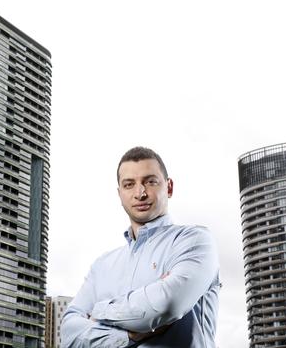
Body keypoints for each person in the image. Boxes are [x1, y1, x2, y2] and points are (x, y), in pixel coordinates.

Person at [61, 146, 220, 347]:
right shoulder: (102, 265)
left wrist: (98, 313)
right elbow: (68, 334)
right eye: (129, 185)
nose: (140, 193)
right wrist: (127, 336)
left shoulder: (194, 241)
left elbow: (167, 305)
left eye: (150, 181)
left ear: (169, 187)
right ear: (120, 194)